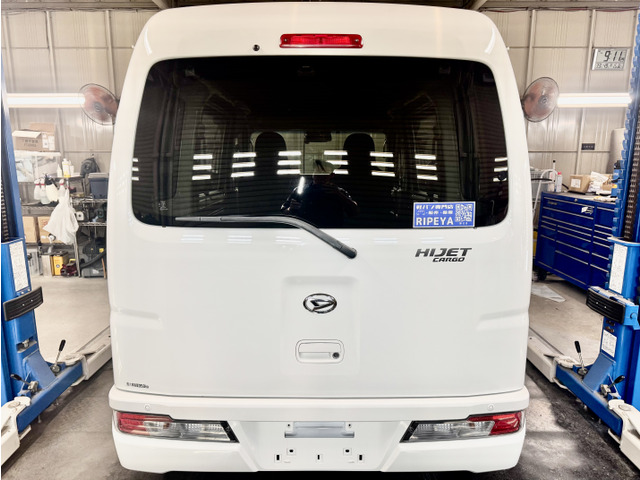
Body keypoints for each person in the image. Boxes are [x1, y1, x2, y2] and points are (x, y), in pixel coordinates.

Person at [282, 159, 359, 228]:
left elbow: (354, 212)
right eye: (317, 172)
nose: (320, 176)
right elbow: (284, 211)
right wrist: (290, 209)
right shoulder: (300, 191)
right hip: (306, 232)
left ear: (331, 175)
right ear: (313, 173)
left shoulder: (339, 192)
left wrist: (339, 195)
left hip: (331, 234)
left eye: (324, 173)